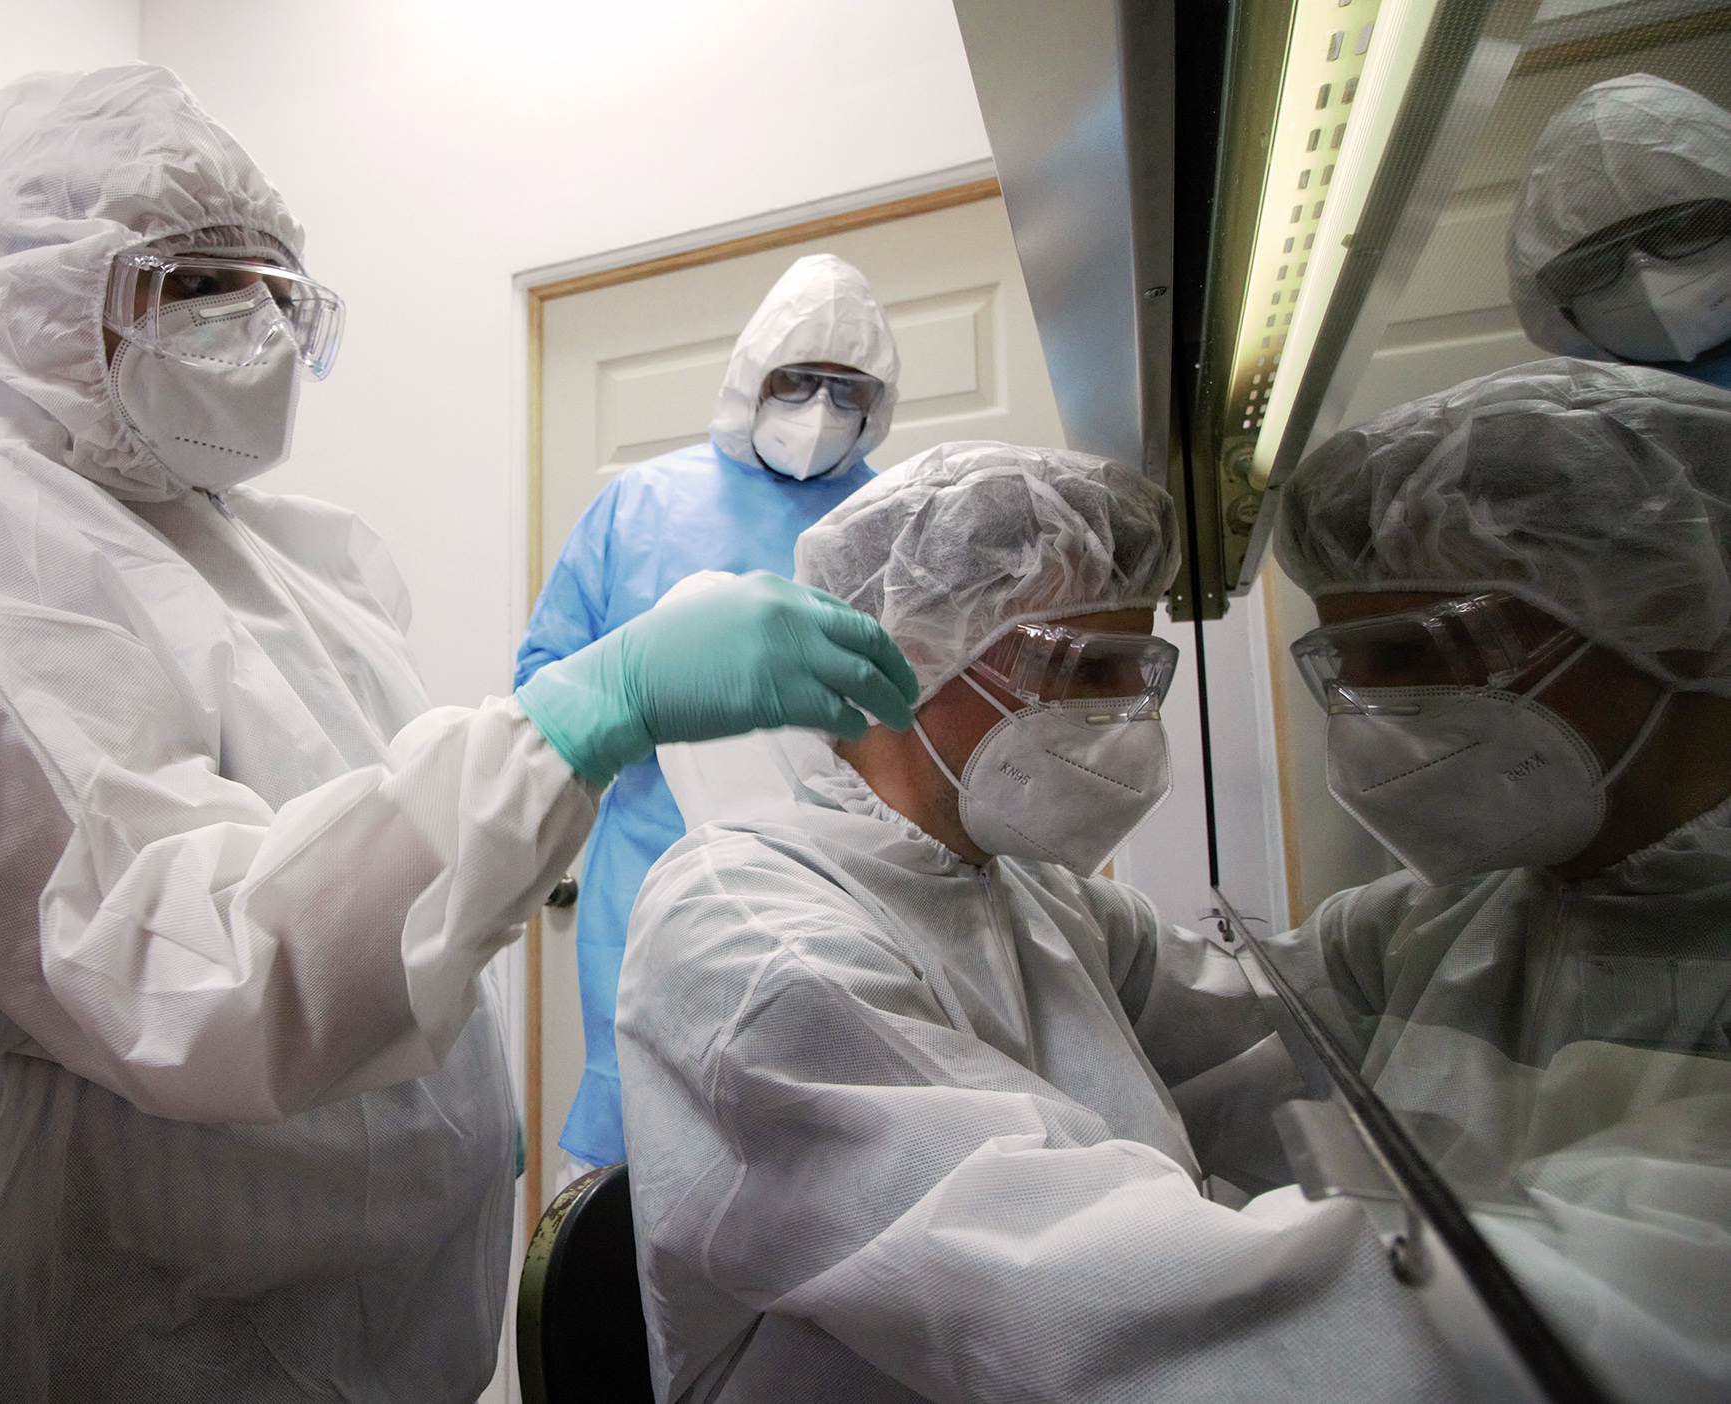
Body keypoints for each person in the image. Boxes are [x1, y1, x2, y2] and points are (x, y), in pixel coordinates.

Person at [0, 64, 918, 1403]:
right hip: (156, 1322)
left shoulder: (286, 560)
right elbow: (208, 968)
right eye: (198, 283)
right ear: (39, 297)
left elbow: (377, 866)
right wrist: (595, 709)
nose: (259, 330)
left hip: (369, 1320)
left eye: (276, 291)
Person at [617, 441, 1465, 1402]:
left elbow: (1259, 1022)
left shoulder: (1018, 886)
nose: (1128, 722)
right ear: (908, 658)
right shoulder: (756, 935)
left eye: (1139, 672)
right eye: (1085, 669)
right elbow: (1066, 1281)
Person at [1267, 358, 1731, 1403]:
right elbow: (1187, 1015)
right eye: (1346, 663)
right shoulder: (1465, 915)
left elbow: (1485, 1339)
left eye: (1414, 649)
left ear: (1675, 618)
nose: (1366, 712)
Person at [514, 252, 895, 1181]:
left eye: (847, 391)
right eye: (796, 382)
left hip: (844, 890)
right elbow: (548, 687)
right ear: (749, 379)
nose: (817, 411)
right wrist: (645, 701)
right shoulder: (641, 505)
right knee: (640, 1161)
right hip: (650, 874)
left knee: (821, 1156)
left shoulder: (890, 516)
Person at [1508, 74, 1731, 390]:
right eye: (1592, 263)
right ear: (1563, 312)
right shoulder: (1577, 429)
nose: (1645, 277)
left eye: (1681, 229)